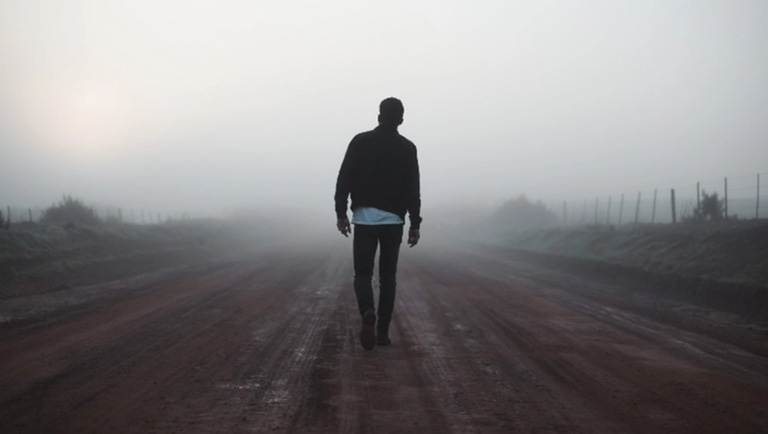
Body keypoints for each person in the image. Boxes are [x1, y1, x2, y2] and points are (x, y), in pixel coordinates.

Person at [334, 97, 422, 350]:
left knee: (362, 274)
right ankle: (382, 332)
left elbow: (344, 178)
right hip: (393, 221)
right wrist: (415, 222)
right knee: (388, 277)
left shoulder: (360, 141)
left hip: (364, 219)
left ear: (379, 116)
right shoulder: (408, 148)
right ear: (401, 119)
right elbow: (412, 188)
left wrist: (341, 212)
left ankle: (367, 311)